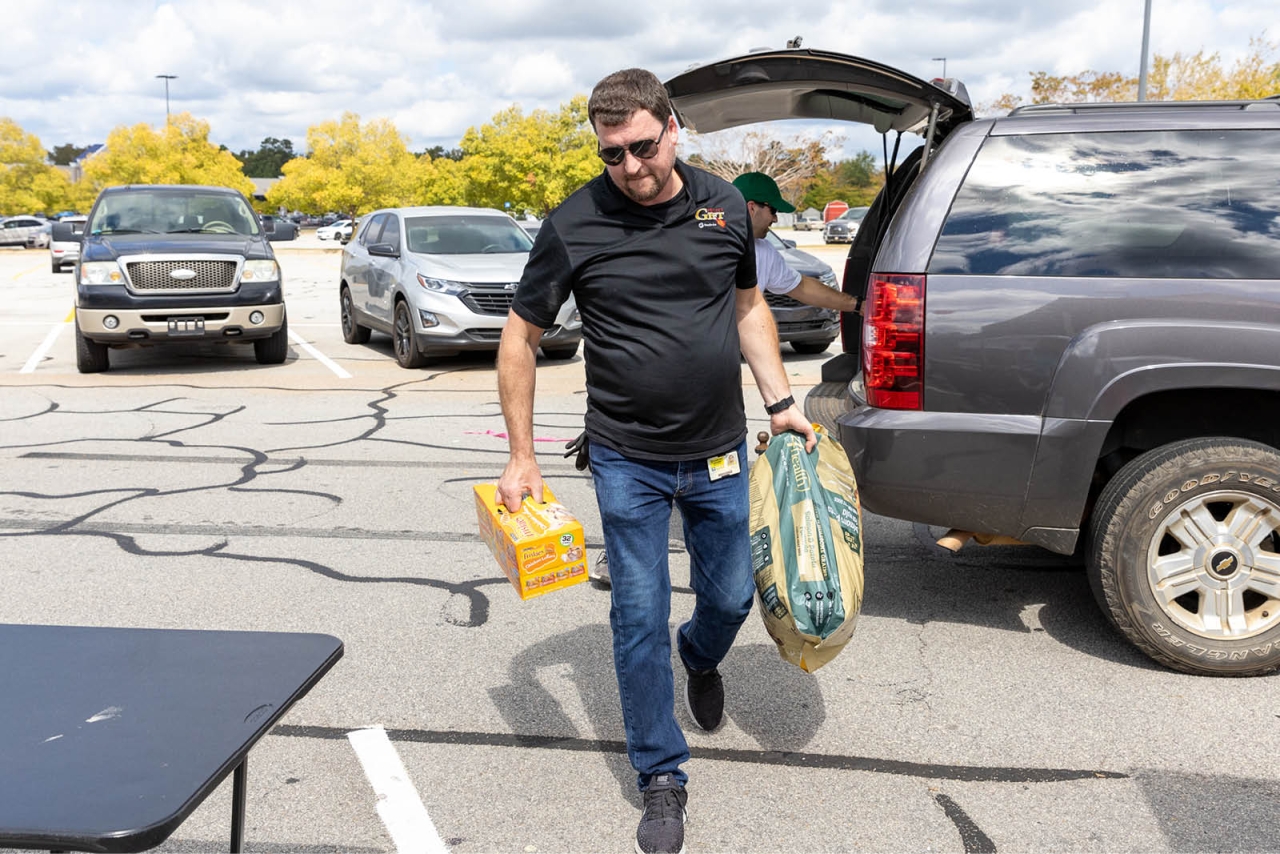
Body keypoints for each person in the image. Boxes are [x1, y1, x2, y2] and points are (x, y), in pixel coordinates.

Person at [494, 67, 815, 854]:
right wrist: (523, 457)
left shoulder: (725, 206)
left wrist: (781, 402)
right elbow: (519, 339)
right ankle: (661, 776)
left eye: (642, 146)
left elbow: (748, 309)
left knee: (734, 595)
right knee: (636, 615)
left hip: (718, 450)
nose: (631, 168)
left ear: (673, 128)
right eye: (613, 155)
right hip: (625, 457)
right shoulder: (575, 222)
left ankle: (700, 656)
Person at [732, 172, 864, 313]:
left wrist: (858, 305)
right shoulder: (709, 247)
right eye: (773, 210)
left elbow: (801, 287)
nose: (775, 219)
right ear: (751, 208)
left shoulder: (764, 251)